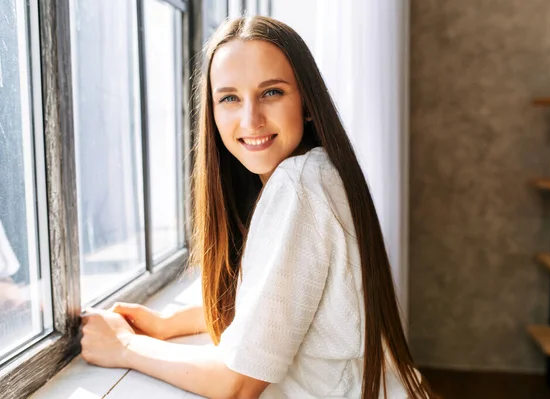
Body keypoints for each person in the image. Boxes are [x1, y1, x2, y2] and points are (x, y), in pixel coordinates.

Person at [80, 15, 436, 399]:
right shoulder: (317, 172)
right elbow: (276, 304)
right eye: (230, 98)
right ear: (213, 113)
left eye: (272, 92)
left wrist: (124, 348)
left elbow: (239, 383)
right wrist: (168, 324)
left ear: (308, 103)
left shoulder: (300, 184)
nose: (251, 119)